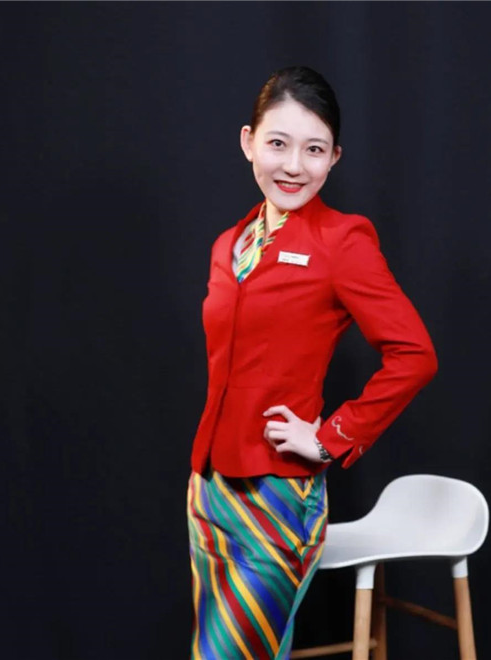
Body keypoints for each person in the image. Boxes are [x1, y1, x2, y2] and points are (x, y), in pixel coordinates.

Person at [186, 65, 438, 660]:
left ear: (334, 158)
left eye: (314, 149)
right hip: (207, 490)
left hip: (277, 495)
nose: (294, 166)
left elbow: (414, 354)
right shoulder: (229, 244)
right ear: (249, 142)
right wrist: (201, 481)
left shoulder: (341, 241)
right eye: (278, 144)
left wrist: (330, 438)